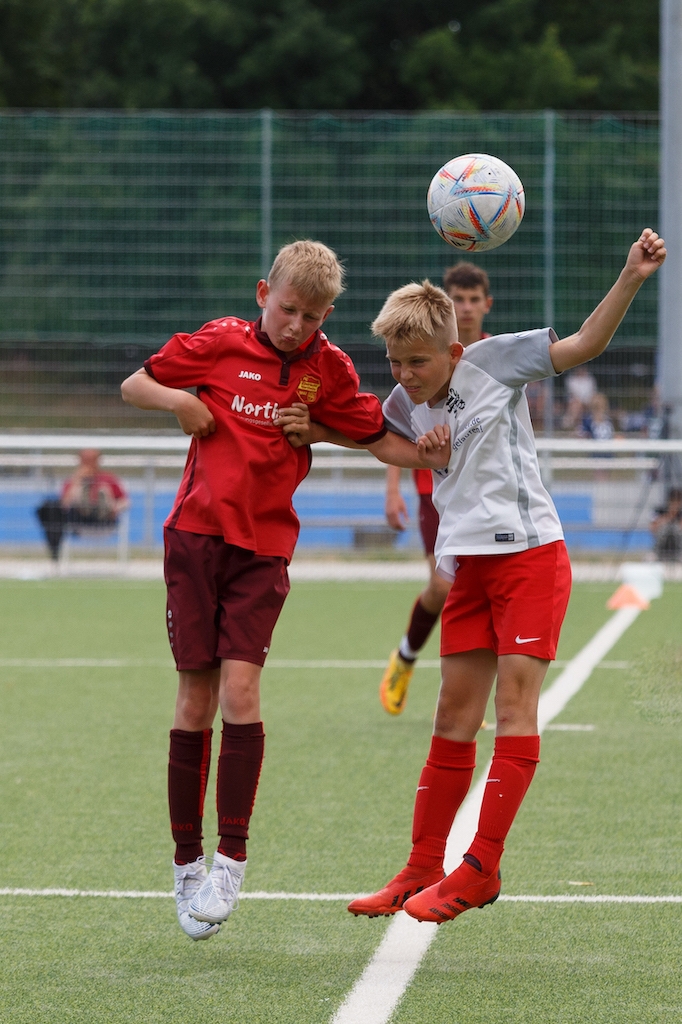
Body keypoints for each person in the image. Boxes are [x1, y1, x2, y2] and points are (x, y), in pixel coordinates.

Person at [297, 230, 664, 925]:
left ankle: (481, 867)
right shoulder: (405, 400)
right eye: (396, 362)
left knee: (514, 712)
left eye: (418, 362)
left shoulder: (496, 361)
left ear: (455, 352)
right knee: (452, 718)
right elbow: (388, 442)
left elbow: (584, 344)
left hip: (529, 558)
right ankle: (420, 868)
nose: (405, 375)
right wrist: (326, 432)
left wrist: (631, 276)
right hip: (467, 566)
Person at [120, 240, 450, 941]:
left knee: (241, 693)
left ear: (328, 315)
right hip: (195, 541)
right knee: (194, 699)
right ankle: (186, 863)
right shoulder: (219, 341)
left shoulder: (329, 369)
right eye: (287, 309)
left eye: (312, 315)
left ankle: (231, 862)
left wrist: (428, 453)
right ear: (263, 293)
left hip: (264, 552)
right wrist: (180, 404)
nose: (296, 325)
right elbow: (134, 385)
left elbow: (377, 437)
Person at [380, 261, 493, 715]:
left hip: (481, 492)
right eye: (457, 299)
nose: (465, 308)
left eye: (473, 299)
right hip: (434, 489)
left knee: (481, 587)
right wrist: (393, 490)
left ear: (486, 305)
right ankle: (406, 656)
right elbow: (395, 427)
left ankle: (470, 696)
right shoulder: (421, 357)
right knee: (445, 587)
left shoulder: (494, 357)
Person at [35, 449, 128, 561]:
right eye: (86, 460)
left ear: (98, 461)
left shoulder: (108, 478)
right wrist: (77, 481)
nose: (89, 463)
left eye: (92, 460)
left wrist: (116, 508)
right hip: (80, 519)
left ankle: (101, 506)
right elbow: (64, 504)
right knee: (64, 501)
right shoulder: (72, 480)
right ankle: (85, 503)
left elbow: (126, 502)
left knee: (105, 491)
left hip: (105, 519)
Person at [651, 487, 682, 562]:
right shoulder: (660, 510)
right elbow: (652, 528)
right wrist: (669, 516)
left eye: (678, 502)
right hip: (661, 548)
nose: (675, 504)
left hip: (678, 549)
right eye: (673, 501)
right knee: (665, 529)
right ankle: (655, 554)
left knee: (676, 529)